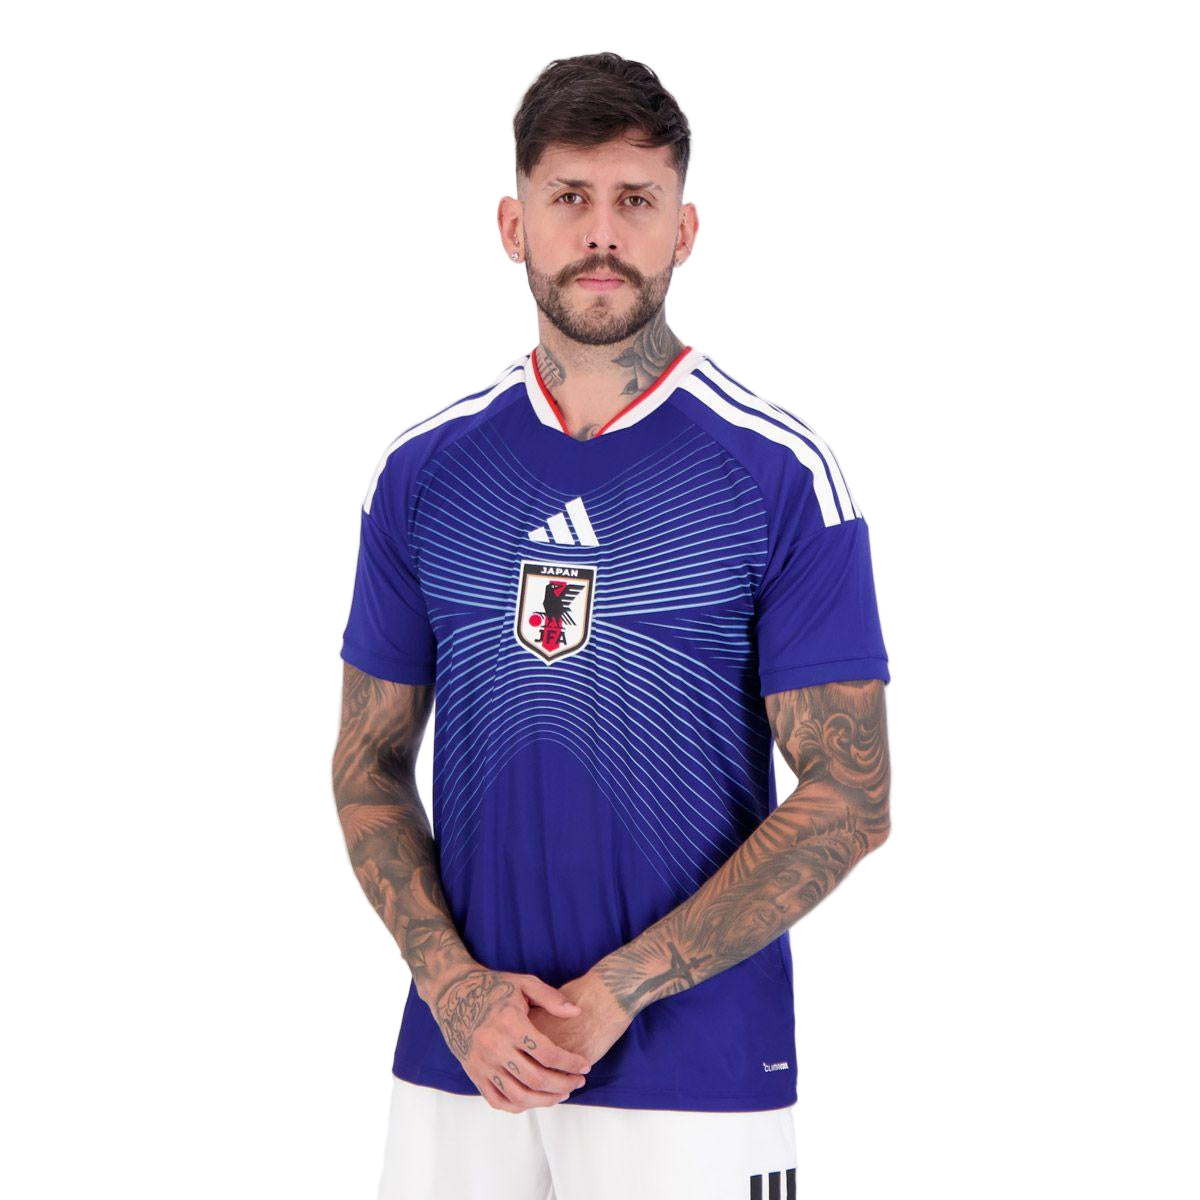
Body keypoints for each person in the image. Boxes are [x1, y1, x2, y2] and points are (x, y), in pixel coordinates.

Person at [331, 51, 892, 1200]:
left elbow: (853, 792)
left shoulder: (777, 474)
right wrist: (457, 990)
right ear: (513, 224)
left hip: (695, 1074)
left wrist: (618, 991)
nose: (601, 232)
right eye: (568, 197)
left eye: (636, 199)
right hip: (462, 1068)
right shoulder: (425, 470)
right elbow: (368, 764)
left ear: (684, 229)